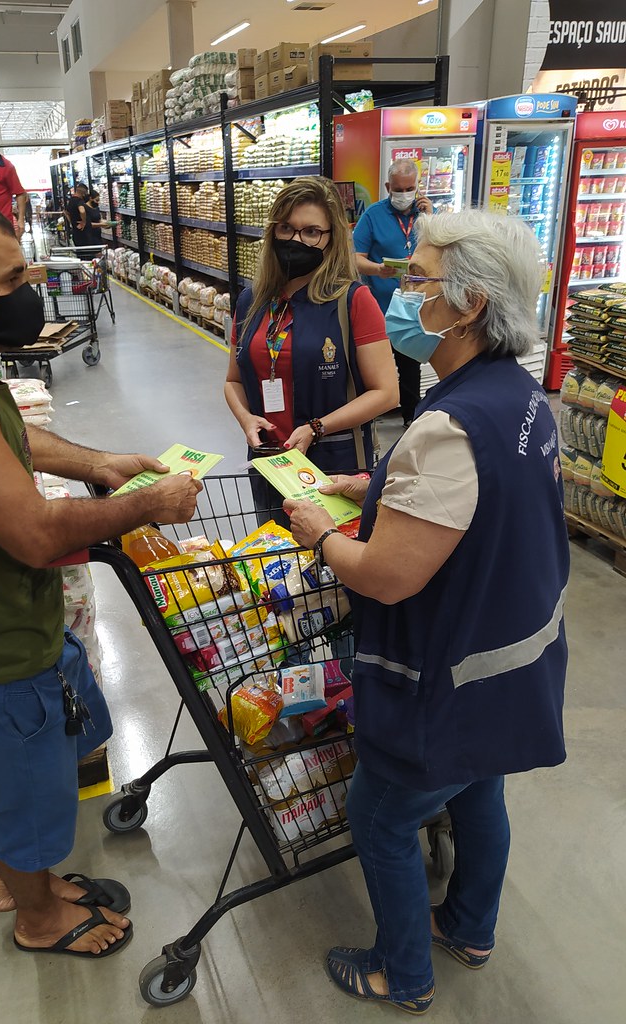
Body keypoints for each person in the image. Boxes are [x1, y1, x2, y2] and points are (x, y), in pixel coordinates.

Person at [0, 200, 201, 960]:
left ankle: (34, 884)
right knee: (26, 800)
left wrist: (98, 464)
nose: (31, 288)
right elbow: (31, 532)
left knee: (27, 785)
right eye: (12, 277)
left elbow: (12, 438)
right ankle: (37, 917)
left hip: (0, 632)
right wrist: (144, 505)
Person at [284, 210, 569, 1015]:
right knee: (480, 792)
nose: (402, 290)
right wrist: (372, 488)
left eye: (417, 278)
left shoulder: (450, 423)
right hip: (513, 666)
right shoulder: (516, 396)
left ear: (469, 302)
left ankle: (400, 973)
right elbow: (476, 504)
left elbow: (385, 578)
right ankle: (471, 927)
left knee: (377, 817)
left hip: (446, 682)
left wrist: (320, 532)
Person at [224, 176, 399, 516]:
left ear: (331, 238)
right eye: (286, 229)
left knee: (332, 563)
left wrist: (316, 427)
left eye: (311, 232)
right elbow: (233, 380)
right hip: (269, 463)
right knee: (276, 558)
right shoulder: (251, 301)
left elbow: (387, 392)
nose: (296, 240)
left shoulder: (353, 301)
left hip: (334, 466)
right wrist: (246, 419)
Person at [353, 159, 433, 428]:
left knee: (410, 367)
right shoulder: (373, 216)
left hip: (414, 307)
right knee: (375, 368)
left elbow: (443, 252)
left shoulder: (426, 216)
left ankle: (411, 417)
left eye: (409, 188)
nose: (404, 194)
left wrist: (432, 219)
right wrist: (377, 269)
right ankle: (367, 418)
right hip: (379, 309)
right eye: (398, 189)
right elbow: (355, 259)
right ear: (388, 187)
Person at [65, 182, 89, 248]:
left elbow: (66, 212)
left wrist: (71, 222)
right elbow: (82, 210)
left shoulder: (71, 201)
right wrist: (84, 221)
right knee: (87, 252)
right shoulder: (79, 201)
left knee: (79, 251)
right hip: (82, 231)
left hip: (75, 230)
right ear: (83, 193)